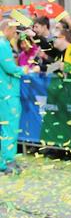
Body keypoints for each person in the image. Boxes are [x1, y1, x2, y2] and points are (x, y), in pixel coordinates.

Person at [0, 19, 28, 175]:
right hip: (7, 93)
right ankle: (8, 162)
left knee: (4, 128)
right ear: (8, 29)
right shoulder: (3, 44)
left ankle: (4, 162)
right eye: (15, 30)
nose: (16, 34)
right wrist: (26, 70)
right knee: (9, 127)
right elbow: (10, 68)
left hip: (3, 92)